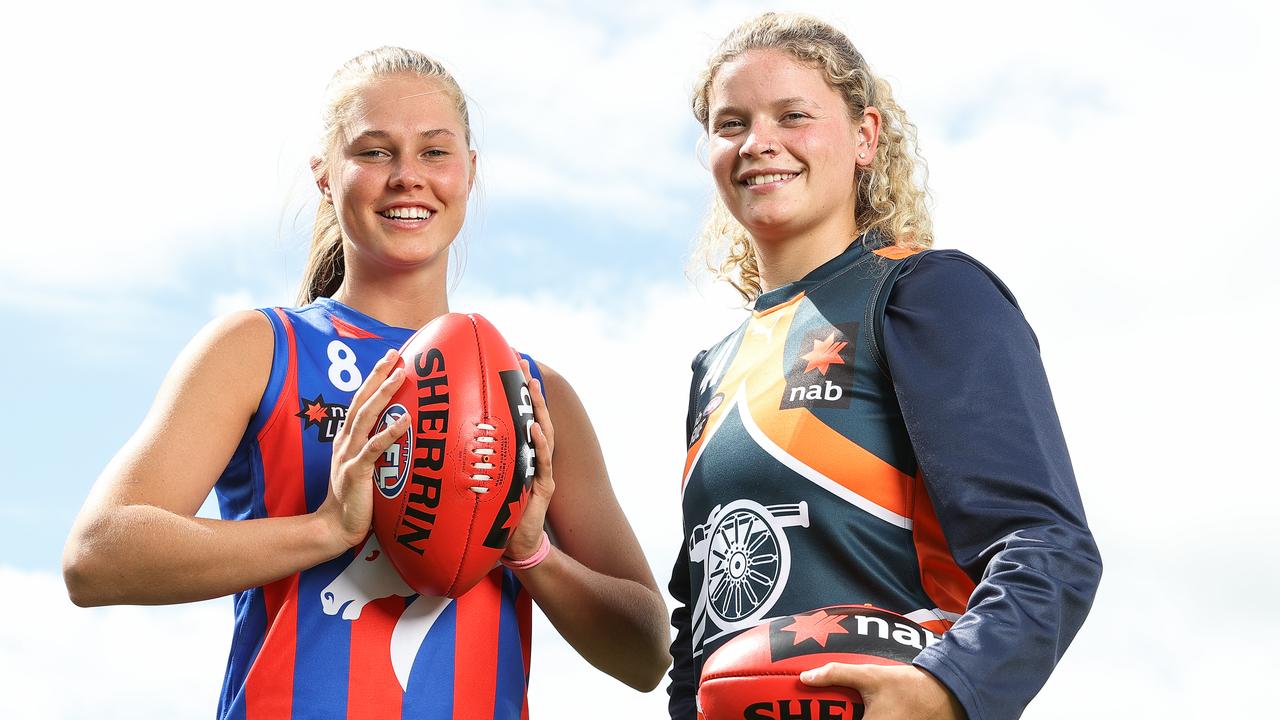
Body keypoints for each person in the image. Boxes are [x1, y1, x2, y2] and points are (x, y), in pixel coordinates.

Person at [62, 47, 671, 719]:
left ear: (470, 172)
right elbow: (97, 557)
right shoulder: (260, 349)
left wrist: (531, 553)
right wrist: (326, 531)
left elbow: (645, 655)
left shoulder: (532, 391)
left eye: (435, 153)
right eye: (375, 152)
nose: (408, 178)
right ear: (325, 174)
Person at [668, 13, 1102, 720]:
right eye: (731, 123)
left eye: (793, 116)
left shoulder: (924, 295)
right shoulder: (713, 368)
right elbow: (700, 627)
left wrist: (947, 687)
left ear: (865, 137)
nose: (758, 143)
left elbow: (1047, 546)